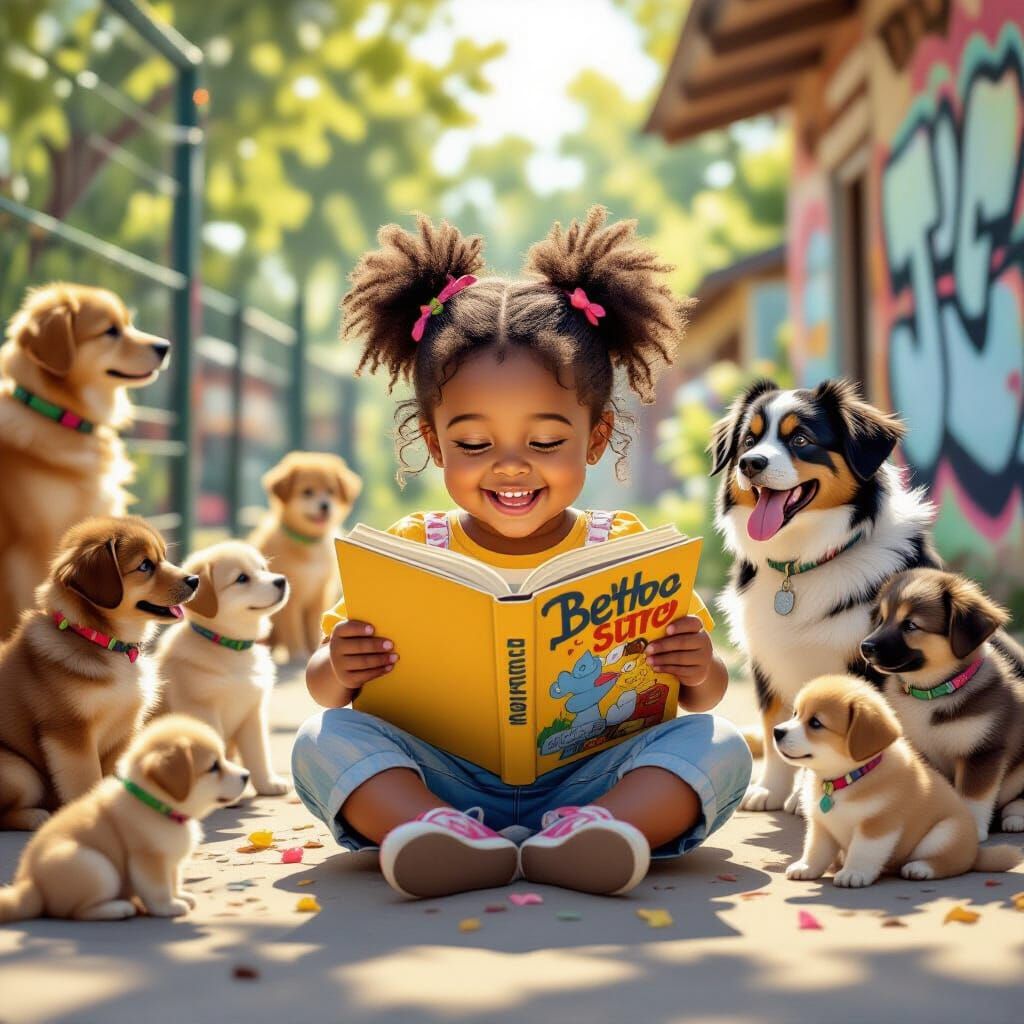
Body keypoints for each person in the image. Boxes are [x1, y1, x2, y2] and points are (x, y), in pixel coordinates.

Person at [293, 207, 752, 899]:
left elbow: (703, 696)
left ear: (595, 440)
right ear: (434, 439)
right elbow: (327, 689)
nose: (511, 468)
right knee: (322, 739)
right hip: (442, 776)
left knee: (718, 744)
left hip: (590, 775)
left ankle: (596, 833)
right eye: (475, 444)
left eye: (544, 443)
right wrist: (339, 665)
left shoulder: (623, 549)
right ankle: (441, 835)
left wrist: (698, 666)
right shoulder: (416, 549)